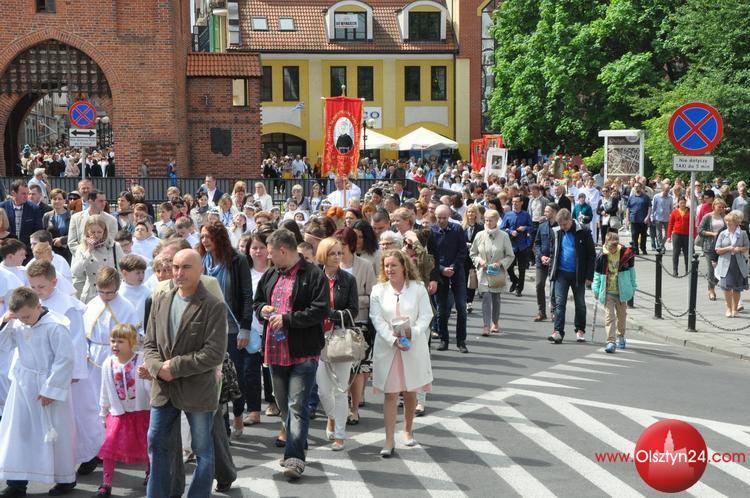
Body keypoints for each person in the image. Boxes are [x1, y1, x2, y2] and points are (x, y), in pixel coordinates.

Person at [143, 249, 228, 498]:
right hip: (163, 388)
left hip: (197, 389)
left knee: (203, 451)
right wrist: (158, 368)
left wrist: (175, 367)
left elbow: (214, 353)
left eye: (186, 267)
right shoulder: (160, 300)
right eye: (175, 267)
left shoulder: (213, 306)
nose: (179, 273)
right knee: (156, 443)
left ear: (201, 269)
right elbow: (149, 343)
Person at [252, 228, 328, 480]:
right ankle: (298, 440)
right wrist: (262, 309)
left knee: (297, 405)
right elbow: (257, 301)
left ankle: (294, 457)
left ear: (283, 251)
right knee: (283, 404)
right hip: (275, 351)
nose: (269, 258)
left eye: (271, 253)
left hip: (303, 351)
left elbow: (320, 310)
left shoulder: (313, 274)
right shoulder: (271, 273)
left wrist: (287, 319)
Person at [26, 261, 103, 477]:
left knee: (79, 414)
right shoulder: (32, 302)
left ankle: (90, 454)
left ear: (54, 282)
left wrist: (75, 372)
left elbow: (77, 341)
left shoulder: (69, 306)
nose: (37, 291)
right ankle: (57, 461)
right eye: (33, 287)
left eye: (41, 287)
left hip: (68, 373)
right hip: (43, 371)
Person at [0, 288, 76, 497]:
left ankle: (65, 479)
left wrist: (51, 390)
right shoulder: (17, 322)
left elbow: (65, 359)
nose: (23, 321)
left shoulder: (55, 326)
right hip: (23, 384)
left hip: (48, 385)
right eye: (19, 317)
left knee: (55, 434)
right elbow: (4, 345)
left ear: (38, 306)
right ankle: (16, 483)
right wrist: (5, 322)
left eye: (26, 316)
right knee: (18, 432)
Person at [369, 250, 433, 457]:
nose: (389, 269)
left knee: (410, 391)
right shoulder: (378, 290)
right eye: (386, 266)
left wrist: (412, 333)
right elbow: (376, 319)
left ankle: (407, 429)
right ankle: (389, 440)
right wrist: (393, 339)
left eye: (394, 265)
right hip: (389, 348)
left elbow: (426, 315)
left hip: (413, 346)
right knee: (390, 394)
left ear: (404, 266)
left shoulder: (418, 288)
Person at [197, 221, 253, 438]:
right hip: (207, 328)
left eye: (208, 236)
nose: (204, 241)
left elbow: (246, 295)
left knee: (234, 376)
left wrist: (245, 328)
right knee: (214, 376)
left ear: (219, 237)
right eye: (202, 236)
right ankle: (222, 427)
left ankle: (238, 413)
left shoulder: (237, 260)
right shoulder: (200, 260)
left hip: (232, 328)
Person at [94, 324, 151, 498]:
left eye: (120, 341)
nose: (115, 345)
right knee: (110, 447)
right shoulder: (108, 363)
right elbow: (105, 390)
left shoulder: (141, 360)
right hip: (118, 413)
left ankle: (151, 473)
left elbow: (149, 385)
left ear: (132, 342)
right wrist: (103, 412)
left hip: (141, 411)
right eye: (113, 341)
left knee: (147, 446)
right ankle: (106, 483)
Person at [314, 237, 358, 451]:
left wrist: (330, 314)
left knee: (340, 389)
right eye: (333, 253)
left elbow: (353, 310)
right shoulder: (314, 276)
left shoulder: (348, 279)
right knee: (323, 390)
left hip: (340, 338)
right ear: (323, 255)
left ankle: (340, 434)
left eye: (340, 253)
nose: (337, 257)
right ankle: (331, 417)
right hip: (316, 338)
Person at [335, 227, 376, 425]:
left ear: (351, 245)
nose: (339, 249)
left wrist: (352, 301)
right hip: (336, 323)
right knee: (338, 366)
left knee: (358, 367)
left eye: (342, 244)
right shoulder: (331, 265)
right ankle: (339, 406)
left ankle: (354, 408)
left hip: (359, 322)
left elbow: (373, 295)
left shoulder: (365, 266)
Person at [548, 209, 595, 344]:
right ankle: (558, 332)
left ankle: (580, 330)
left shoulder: (584, 231)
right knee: (559, 303)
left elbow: (591, 255)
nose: (563, 227)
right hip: (561, 273)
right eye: (560, 225)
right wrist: (551, 270)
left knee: (580, 303)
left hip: (578, 274)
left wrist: (589, 276)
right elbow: (553, 252)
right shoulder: (557, 232)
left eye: (565, 225)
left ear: (570, 220)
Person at [244, 232, 276, 424]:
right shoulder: (245, 272)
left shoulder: (275, 272)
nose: (258, 251)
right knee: (250, 371)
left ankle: (273, 402)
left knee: (271, 370)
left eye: (262, 247)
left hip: (273, 329)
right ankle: (254, 410)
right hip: (250, 329)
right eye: (254, 248)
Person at [470, 209, 515, 336]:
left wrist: (500, 263)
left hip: (497, 273)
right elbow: (473, 253)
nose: (488, 223)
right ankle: (486, 325)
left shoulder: (504, 236)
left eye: (491, 220)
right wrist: (479, 261)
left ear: (496, 221)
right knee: (486, 297)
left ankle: (495, 322)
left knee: (496, 298)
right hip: (483, 272)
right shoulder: (479, 235)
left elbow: (510, 255)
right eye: (486, 220)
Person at [592, 232, 636, 354]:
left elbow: (632, 272)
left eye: (615, 246)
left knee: (621, 317)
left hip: (622, 291)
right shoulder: (601, 256)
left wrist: (633, 287)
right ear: (606, 244)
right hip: (608, 292)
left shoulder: (626, 254)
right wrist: (595, 289)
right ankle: (611, 341)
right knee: (609, 317)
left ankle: (620, 335)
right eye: (611, 246)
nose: (613, 249)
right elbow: (597, 275)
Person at [432, 205, 469, 353]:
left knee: (461, 308)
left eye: (444, 218)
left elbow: (462, 251)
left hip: (457, 273)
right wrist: (442, 269)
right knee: (441, 310)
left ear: (449, 217)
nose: (441, 221)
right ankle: (444, 340)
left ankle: (461, 341)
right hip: (440, 274)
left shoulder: (457, 229)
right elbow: (431, 256)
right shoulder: (432, 231)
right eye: (439, 218)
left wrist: (453, 267)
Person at [71, 215, 123, 303]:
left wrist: (117, 290)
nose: (96, 235)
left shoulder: (114, 246)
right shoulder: (81, 248)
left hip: (110, 293)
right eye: (92, 232)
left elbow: (122, 272)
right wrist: (88, 251)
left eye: (99, 232)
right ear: (87, 231)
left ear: (104, 231)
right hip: (90, 294)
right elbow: (76, 272)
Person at [715, 210, 749, 318]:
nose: (727, 223)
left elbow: (747, 247)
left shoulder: (743, 234)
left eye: (730, 221)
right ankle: (728, 308)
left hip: (739, 264)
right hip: (725, 263)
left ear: (736, 222)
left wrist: (739, 249)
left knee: (737, 288)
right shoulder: (723, 233)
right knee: (727, 287)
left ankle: (735, 308)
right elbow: (717, 249)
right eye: (726, 221)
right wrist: (728, 248)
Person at [0, 180, 43, 261]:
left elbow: (38, 232)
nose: (27, 196)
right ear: (13, 193)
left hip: (26, 254)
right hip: (5, 253)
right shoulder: (2, 207)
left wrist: (26, 249)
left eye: (27, 193)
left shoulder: (34, 209)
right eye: (23, 194)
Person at [501, 196, 533, 297]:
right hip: (511, 245)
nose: (515, 204)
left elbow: (531, 227)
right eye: (513, 202)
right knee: (509, 267)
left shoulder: (526, 215)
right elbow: (502, 228)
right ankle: (514, 280)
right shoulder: (508, 215)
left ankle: (519, 289)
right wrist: (510, 231)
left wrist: (525, 228)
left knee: (522, 269)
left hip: (523, 245)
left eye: (517, 202)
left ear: (521, 203)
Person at [533, 203, 558, 322]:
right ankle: (541, 312)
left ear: (554, 212)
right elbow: (537, 243)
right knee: (539, 285)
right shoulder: (542, 226)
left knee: (554, 288)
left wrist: (552, 258)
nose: (545, 213)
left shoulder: (560, 227)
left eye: (547, 211)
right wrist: (541, 256)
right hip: (541, 261)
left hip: (555, 262)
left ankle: (554, 311)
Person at [698, 198, 727, 301]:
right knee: (711, 269)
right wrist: (713, 234)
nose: (721, 209)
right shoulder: (707, 216)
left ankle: (713, 284)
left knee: (721, 269)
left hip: (722, 247)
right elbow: (700, 230)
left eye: (723, 207)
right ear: (714, 206)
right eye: (719, 207)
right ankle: (711, 290)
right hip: (709, 246)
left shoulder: (724, 217)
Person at [462, 204, 484, 312]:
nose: (470, 214)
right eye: (469, 211)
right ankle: (463, 300)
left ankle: (469, 302)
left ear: (476, 214)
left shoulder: (480, 227)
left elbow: (483, 241)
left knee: (472, 279)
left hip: (475, 256)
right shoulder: (462, 226)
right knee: (463, 279)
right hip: (463, 256)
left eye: (473, 212)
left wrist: (474, 246)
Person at [42, 188, 72, 263]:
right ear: (51, 200)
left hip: (69, 252)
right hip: (53, 253)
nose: (57, 201)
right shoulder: (47, 216)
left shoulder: (72, 215)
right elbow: (44, 235)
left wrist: (62, 240)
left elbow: (77, 235)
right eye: (54, 199)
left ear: (64, 201)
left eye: (60, 199)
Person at [667, 196, 691, 275]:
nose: (683, 204)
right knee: (676, 253)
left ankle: (687, 270)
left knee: (687, 253)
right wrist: (668, 236)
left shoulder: (689, 212)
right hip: (676, 234)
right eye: (681, 203)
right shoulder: (674, 212)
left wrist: (693, 236)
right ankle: (675, 270)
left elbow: (693, 225)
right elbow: (670, 224)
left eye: (684, 203)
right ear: (678, 203)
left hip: (686, 235)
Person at [626, 182, 652, 255]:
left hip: (643, 220)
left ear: (641, 187)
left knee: (643, 235)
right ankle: (635, 249)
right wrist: (627, 219)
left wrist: (648, 217)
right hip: (634, 219)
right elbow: (628, 208)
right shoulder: (631, 197)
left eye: (638, 186)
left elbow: (650, 207)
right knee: (634, 236)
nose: (636, 188)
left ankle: (643, 248)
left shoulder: (646, 197)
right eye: (635, 186)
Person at [651, 182, 673, 250]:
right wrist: (652, 217)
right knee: (659, 234)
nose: (667, 192)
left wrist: (672, 217)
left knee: (667, 234)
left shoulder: (670, 197)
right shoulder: (656, 196)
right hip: (658, 217)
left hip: (667, 218)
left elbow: (671, 208)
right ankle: (661, 247)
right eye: (666, 190)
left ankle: (661, 245)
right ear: (662, 189)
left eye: (668, 190)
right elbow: (653, 207)